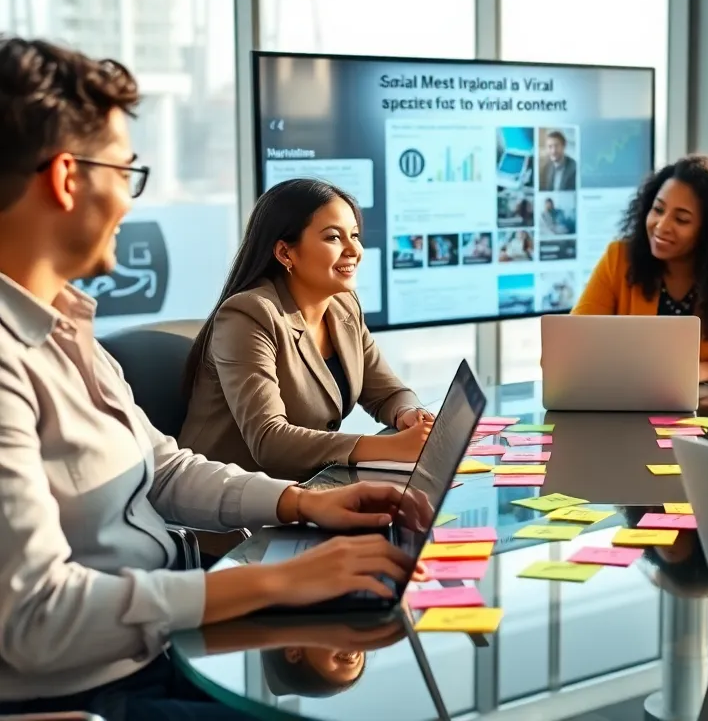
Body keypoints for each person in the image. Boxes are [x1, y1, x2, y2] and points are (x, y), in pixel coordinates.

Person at [0, 35, 419, 714]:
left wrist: (303, 504)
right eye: (126, 174)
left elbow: (162, 470)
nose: (131, 203)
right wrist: (275, 584)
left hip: (160, 638)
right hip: (95, 691)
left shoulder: (66, 327)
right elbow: (36, 619)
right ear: (68, 178)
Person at [179, 179, 432, 483]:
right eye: (333, 238)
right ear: (286, 253)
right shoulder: (248, 314)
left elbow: (388, 392)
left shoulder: (343, 305)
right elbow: (269, 441)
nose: (354, 249)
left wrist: (410, 414)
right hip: (233, 509)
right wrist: (390, 447)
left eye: (354, 235)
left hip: (306, 491)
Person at [571, 154, 708, 385]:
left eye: (682, 220)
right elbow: (570, 348)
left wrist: (704, 371)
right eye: (658, 210)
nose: (661, 226)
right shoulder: (619, 259)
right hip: (627, 407)